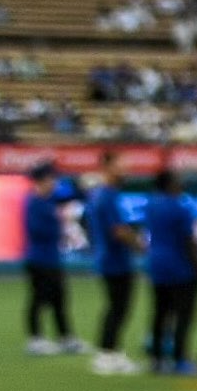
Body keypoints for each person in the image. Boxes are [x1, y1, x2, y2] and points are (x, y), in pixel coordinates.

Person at [139, 169, 197, 377]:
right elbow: (189, 240)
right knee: (183, 314)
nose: (181, 184)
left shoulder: (150, 205)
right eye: (177, 181)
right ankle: (180, 359)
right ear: (168, 184)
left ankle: (157, 359)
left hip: (156, 264)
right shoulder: (180, 207)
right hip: (179, 266)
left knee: (160, 312)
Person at [87, 161, 145, 376]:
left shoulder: (101, 195)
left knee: (116, 307)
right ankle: (107, 354)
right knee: (118, 308)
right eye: (119, 167)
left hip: (108, 259)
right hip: (114, 261)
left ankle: (111, 352)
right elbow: (119, 230)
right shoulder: (107, 196)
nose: (125, 171)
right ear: (107, 170)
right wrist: (139, 245)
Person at [20, 156, 82, 356]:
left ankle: (66, 338)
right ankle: (35, 339)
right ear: (42, 180)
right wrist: (58, 227)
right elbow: (36, 230)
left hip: (52, 258)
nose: (54, 182)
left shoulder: (49, 199)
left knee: (59, 300)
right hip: (39, 259)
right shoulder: (34, 202)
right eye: (50, 178)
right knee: (39, 299)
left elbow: (72, 195)